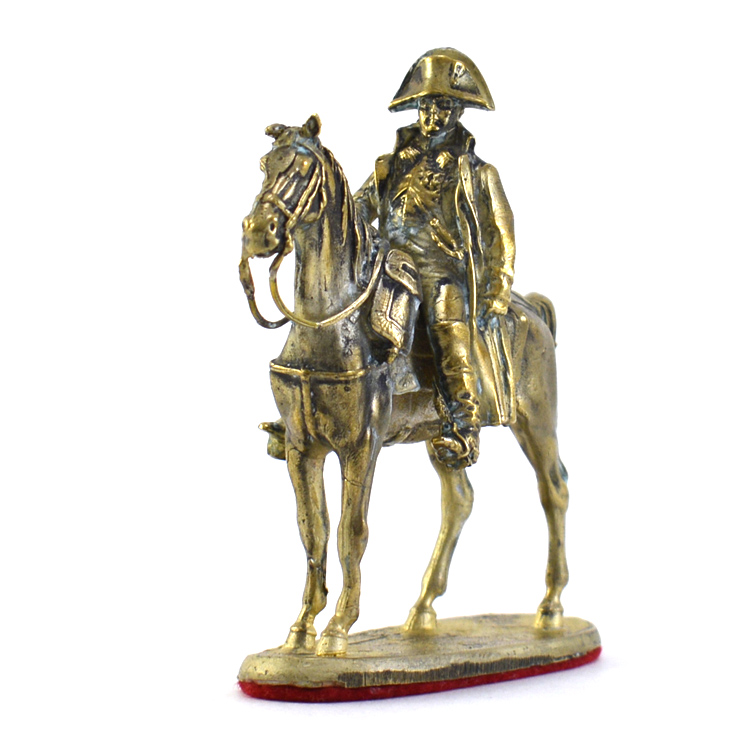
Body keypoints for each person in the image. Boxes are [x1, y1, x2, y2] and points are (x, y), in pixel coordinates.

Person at [354, 48, 516, 469]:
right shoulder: (392, 165)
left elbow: (500, 233)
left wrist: (498, 290)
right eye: (426, 106)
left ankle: (463, 425)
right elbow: (360, 208)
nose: (432, 115)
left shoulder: (476, 172)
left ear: (458, 111)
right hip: (390, 268)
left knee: (449, 334)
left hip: (442, 272)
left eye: (443, 106)